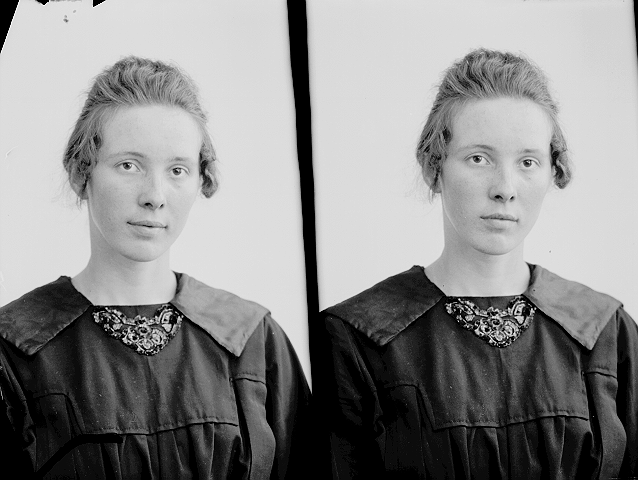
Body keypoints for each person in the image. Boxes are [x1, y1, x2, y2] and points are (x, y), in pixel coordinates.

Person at [315, 49, 637, 479]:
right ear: (434, 168)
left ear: (551, 172)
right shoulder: (357, 338)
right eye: (479, 158)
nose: (505, 188)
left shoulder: (604, 330)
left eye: (528, 162)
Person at [0, 56, 311, 479]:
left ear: (200, 181)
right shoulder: (14, 348)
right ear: (80, 173)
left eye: (177, 170)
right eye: (129, 165)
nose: (155, 196)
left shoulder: (253, 339)